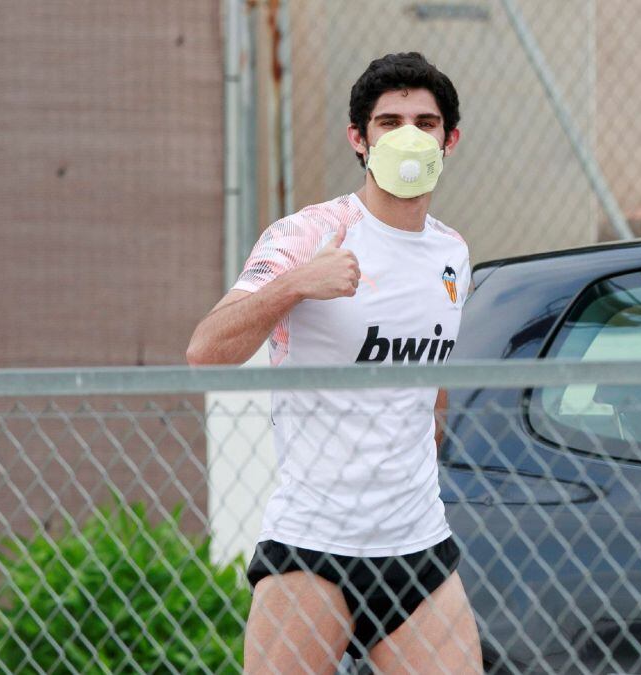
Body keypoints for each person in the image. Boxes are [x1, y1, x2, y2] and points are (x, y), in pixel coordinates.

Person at [186, 52, 483, 673]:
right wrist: (296, 284)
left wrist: (430, 426)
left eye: (425, 123)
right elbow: (206, 353)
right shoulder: (309, 233)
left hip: (417, 548)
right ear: (359, 138)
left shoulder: (452, 251)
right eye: (389, 121)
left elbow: (431, 384)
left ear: (449, 139)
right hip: (314, 549)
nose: (409, 135)